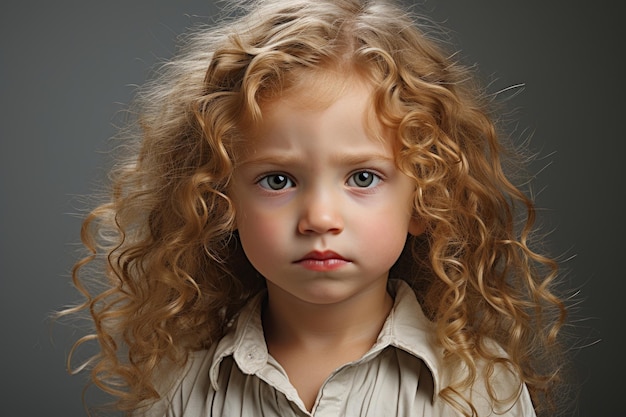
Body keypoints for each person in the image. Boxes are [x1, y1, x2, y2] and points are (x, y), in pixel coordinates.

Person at [63, 0, 570, 416]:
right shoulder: (179, 391)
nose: (320, 218)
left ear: (425, 200)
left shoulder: (477, 390)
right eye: (278, 180)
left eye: (363, 178)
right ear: (220, 202)